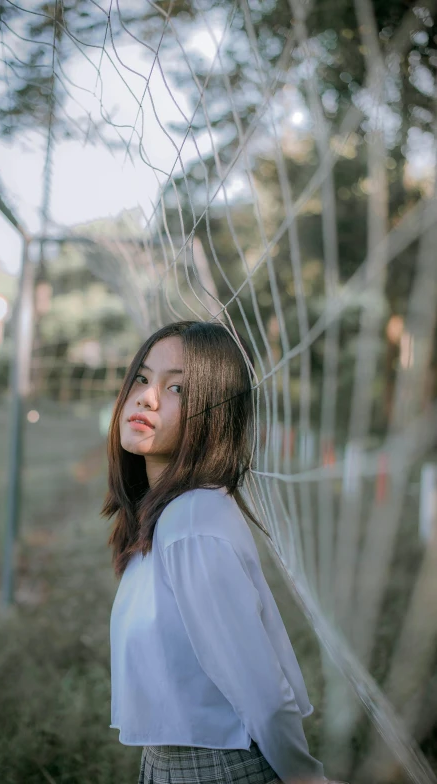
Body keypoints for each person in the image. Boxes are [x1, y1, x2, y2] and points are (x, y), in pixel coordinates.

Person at [102, 320, 342, 784]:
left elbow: (262, 693)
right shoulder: (170, 512)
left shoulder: (193, 520)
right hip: (169, 764)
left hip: (218, 768)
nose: (147, 397)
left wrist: (305, 778)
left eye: (177, 388)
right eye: (143, 378)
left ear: (213, 414)